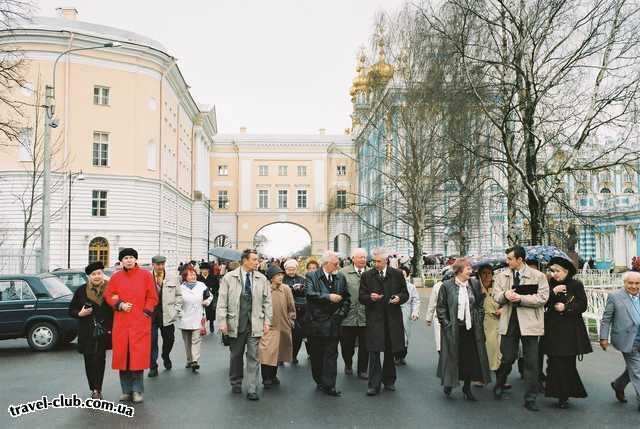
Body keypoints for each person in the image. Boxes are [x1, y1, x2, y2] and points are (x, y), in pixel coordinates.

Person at [493, 245, 549, 412]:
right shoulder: (501, 276)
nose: (507, 261)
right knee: (507, 358)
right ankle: (500, 383)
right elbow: (496, 296)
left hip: (530, 324)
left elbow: (543, 298)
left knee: (531, 362)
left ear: (520, 259)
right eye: (507, 258)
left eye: (510, 258)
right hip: (510, 322)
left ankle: (531, 398)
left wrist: (521, 298)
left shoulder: (538, 276)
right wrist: (505, 295)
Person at [217, 249, 272, 401]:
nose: (257, 262)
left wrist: (267, 321)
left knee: (254, 356)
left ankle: (252, 388)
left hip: (255, 323)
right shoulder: (229, 277)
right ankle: (236, 381)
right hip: (236, 322)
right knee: (236, 355)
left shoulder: (262, 278)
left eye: (257, 259)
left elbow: (268, 302)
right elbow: (222, 302)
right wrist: (222, 322)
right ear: (245, 260)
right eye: (254, 259)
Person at [104, 248, 158, 404]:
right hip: (121, 323)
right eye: (126, 257)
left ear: (135, 260)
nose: (128, 260)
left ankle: (137, 390)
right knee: (123, 358)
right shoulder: (116, 277)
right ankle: (126, 390)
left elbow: (152, 297)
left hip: (139, 323)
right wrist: (119, 304)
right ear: (121, 261)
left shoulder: (146, 276)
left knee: (137, 359)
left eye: (131, 257)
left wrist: (145, 313)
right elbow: (110, 295)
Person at [436, 258, 491, 400]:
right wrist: (447, 324)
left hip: (471, 329)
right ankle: (449, 382)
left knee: (469, 359)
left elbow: (479, 304)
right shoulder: (447, 286)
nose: (471, 271)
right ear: (459, 270)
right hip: (454, 328)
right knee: (452, 357)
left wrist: (478, 318)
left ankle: (467, 388)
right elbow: (441, 308)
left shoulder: (474, 283)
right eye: (468, 269)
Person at [542, 257, 592, 409]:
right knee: (554, 361)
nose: (554, 274)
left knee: (567, 363)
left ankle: (564, 395)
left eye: (557, 271)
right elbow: (542, 301)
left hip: (570, 330)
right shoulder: (550, 284)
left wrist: (566, 308)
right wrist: (552, 292)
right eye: (552, 271)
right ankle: (555, 392)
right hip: (552, 329)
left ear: (566, 271)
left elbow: (583, 304)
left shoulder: (576, 284)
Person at [359, 247, 408, 396]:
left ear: (386, 260)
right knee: (374, 352)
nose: (376, 264)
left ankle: (389, 380)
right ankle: (374, 384)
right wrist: (370, 298)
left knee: (389, 350)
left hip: (392, 318)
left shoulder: (397, 274)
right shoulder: (367, 275)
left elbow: (405, 293)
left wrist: (399, 298)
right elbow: (361, 297)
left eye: (379, 261)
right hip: (374, 319)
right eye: (374, 261)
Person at [305, 250, 351, 396]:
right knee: (317, 355)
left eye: (338, 262)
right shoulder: (312, 276)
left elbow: (346, 298)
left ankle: (329, 385)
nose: (338, 265)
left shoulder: (340, 277)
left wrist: (341, 314)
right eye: (335, 263)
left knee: (331, 355)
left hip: (334, 322)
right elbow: (310, 294)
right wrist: (328, 297)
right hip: (316, 323)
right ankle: (319, 380)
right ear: (326, 263)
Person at [69, 261, 113, 399]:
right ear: (89, 276)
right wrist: (79, 314)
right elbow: (70, 310)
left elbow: (114, 311)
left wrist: (111, 327)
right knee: (89, 360)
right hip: (86, 331)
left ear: (102, 274)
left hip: (103, 331)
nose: (97, 276)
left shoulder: (110, 289)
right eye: (93, 274)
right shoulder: (81, 290)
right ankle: (93, 388)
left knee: (100, 359)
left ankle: (98, 389)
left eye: (99, 273)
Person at [599, 271, 640, 413]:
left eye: (637, 283)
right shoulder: (615, 297)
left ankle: (618, 385)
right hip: (628, 339)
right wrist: (603, 337)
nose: (634, 286)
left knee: (633, 368)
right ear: (624, 283)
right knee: (637, 370)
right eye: (630, 283)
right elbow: (606, 318)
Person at [260, 265, 296, 388]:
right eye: (277, 275)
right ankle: (266, 378)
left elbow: (291, 307)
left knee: (277, 353)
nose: (281, 277)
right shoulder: (264, 289)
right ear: (271, 278)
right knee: (267, 352)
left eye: (281, 275)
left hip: (283, 326)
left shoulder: (286, 289)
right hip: (268, 326)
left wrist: (291, 318)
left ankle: (273, 376)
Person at [148, 255, 182, 378]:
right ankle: (153, 366)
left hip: (167, 313)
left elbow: (179, 295)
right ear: (153, 264)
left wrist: (176, 308)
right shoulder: (147, 277)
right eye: (158, 264)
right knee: (151, 342)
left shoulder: (172, 277)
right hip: (151, 314)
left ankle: (165, 355)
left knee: (170, 339)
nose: (161, 267)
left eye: (163, 264)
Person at [177, 265, 213, 373]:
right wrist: (179, 312)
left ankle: (195, 361)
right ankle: (189, 359)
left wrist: (206, 302)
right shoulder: (180, 288)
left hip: (198, 316)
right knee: (187, 341)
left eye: (194, 274)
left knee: (196, 340)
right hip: (185, 317)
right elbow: (176, 302)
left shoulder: (201, 285)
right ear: (185, 277)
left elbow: (210, 296)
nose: (193, 276)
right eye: (190, 274)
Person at [340, 248, 369, 379]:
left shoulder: (371, 273)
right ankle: (348, 364)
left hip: (366, 316)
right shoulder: (343, 273)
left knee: (365, 345)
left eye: (364, 257)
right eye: (360, 257)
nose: (363, 259)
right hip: (348, 316)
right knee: (347, 345)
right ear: (353, 258)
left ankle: (362, 369)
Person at [281, 259, 308, 364]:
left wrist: (301, 289)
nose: (291, 271)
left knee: (297, 334)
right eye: (289, 269)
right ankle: (282, 357)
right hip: (285, 308)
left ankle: (293, 355)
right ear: (285, 269)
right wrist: (291, 289)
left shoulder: (302, 279)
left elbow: (306, 292)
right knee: (284, 335)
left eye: (293, 269)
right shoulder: (282, 279)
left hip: (300, 309)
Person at [478, 264, 502, 374]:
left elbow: (506, 302)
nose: (487, 276)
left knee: (497, 348)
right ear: (479, 275)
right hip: (481, 321)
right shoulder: (476, 288)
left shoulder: (498, 286)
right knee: (482, 348)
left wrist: (502, 310)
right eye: (484, 273)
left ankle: (499, 375)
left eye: (489, 273)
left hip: (497, 321)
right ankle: (481, 375)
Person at [395, 265, 420, 365]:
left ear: (407, 276)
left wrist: (415, 312)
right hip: (395, 311)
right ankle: (396, 356)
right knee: (395, 334)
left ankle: (402, 355)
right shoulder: (392, 286)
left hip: (406, 310)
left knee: (405, 335)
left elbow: (416, 300)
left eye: (404, 275)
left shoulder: (411, 287)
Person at [426, 271, 453, 355]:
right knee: (440, 339)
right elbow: (432, 303)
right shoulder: (438, 286)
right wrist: (429, 317)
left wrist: (428, 318)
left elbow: (432, 303)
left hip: (449, 317)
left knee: (441, 339)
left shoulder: (456, 286)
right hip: (440, 317)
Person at [198, 262, 219, 332]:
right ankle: (202, 326)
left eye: (206, 269)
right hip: (201, 297)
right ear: (200, 270)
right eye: (203, 269)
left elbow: (217, 286)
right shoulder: (198, 278)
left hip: (211, 297)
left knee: (211, 311)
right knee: (202, 312)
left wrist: (212, 290)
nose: (205, 271)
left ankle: (211, 323)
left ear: (208, 270)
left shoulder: (213, 277)